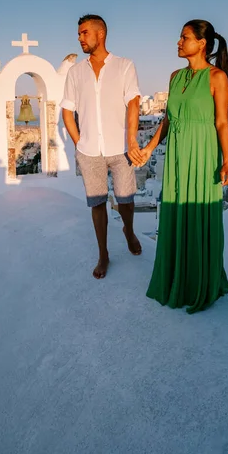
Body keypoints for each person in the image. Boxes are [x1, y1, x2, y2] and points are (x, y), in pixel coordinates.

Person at [141, 19, 228, 313]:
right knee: (175, 209)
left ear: (202, 43)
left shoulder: (217, 77)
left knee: (197, 212)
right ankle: (175, 278)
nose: (178, 43)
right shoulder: (174, 77)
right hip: (178, 152)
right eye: (179, 37)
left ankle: (200, 282)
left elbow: (221, 122)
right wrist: (149, 148)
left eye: (184, 38)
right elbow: (168, 120)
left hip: (203, 151)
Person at [61, 14, 144, 279]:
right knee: (97, 203)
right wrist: (79, 143)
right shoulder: (76, 72)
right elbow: (67, 111)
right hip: (89, 151)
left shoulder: (124, 66)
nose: (79, 38)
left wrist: (131, 140)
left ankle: (129, 232)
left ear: (101, 34)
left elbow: (133, 103)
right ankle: (103, 254)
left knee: (126, 200)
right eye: (78, 33)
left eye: (84, 33)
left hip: (120, 148)